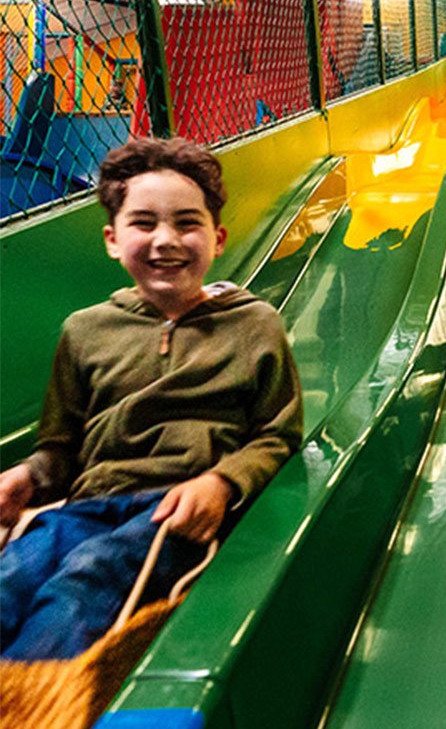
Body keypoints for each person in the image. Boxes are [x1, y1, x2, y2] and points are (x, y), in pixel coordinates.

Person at [0, 138, 303, 660]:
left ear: (218, 237)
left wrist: (220, 482)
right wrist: (27, 476)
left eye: (187, 223)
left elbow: (277, 434)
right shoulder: (86, 331)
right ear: (113, 240)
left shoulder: (254, 327)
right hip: (88, 505)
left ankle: (29, 706)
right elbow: (61, 446)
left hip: (175, 513)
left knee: (85, 580)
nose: (166, 240)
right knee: (15, 574)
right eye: (143, 223)